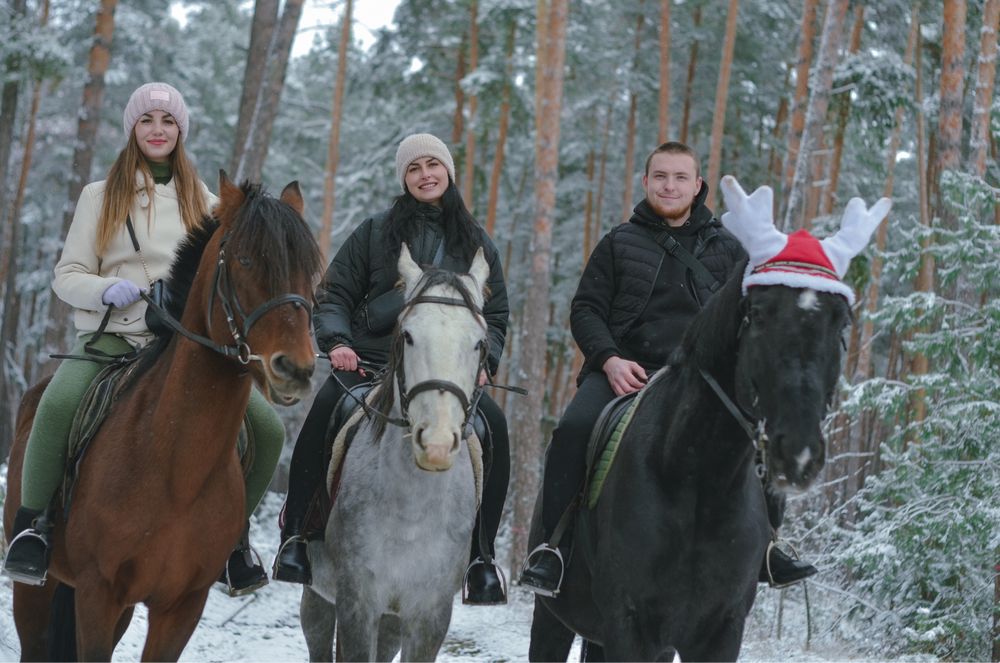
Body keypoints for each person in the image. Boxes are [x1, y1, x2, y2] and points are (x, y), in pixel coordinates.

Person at [1, 82, 283, 596]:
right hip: (113, 341)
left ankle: (233, 542)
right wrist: (108, 288)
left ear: (181, 131)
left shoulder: (211, 204)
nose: (158, 129)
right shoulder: (100, 195)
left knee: (268, 428)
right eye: (148, 119)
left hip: (186, 352)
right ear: (133, 127)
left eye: (169, 121)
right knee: (57, 404)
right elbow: (66, 275)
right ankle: (32, 529)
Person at [518, 141, 818, 596]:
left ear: (697, 185)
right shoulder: (618, 243)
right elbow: (586, 310)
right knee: (573, 430)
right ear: (645, 181)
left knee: (762, 435)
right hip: (625, 373)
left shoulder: (730, 249)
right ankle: (552, 549)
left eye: (681, 177)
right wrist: (609, 359)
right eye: (661, 176)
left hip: (708, 382)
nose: (670, 185)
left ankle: (768, 547)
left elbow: (755, 315)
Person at [272, 133, 511, 604]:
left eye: (433, 165)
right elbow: (335, 295)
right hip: (369, 363)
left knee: (495, 429)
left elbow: (496, 315)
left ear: (448, 171)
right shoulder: (375, 231)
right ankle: (297, 535)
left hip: (444, 371)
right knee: (326, 411)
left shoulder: (477, 242)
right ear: (404, 178)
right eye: (415, 168)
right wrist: (337, 341)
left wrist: (486, 360)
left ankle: (481, 559)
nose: (426, 175)